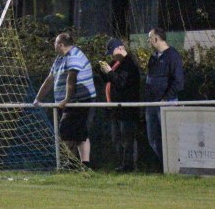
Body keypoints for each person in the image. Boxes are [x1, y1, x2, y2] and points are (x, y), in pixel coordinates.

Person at [33, 32, 96, 167]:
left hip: (78, 101)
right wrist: (38, 99)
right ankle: (84, 164)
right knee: (80, 133)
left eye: (55, 43)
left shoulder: (74, 56)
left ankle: (71, 163)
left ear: (61, 44)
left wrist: (66, 99)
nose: (54, 45)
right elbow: (50, 79)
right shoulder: (59, 58)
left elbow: (71, 79)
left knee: (66, 131)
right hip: (67, 102)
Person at [99, 38, 141, 172]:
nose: (111, 56)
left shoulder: (130, 64)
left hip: (127, 109)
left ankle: (129, 165)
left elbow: (122, 83)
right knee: (117, 138)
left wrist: (110, 72)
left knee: (127, 139)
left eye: (112, 52)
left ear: (119, 49)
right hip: (116, 109)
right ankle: (122, 164)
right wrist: (102, 71)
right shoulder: (116, 63)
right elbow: (110, 80)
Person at [144, 27, 184, 166]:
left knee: (170, 138)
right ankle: (165, 166)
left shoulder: (173, 56)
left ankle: (175, 166)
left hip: (167, 104)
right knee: (153, 139)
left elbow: (178, 82)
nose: (148, 42)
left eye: (149, 38)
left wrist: (165, 99)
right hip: (152, 104)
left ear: (156, 39)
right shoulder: (153, 57)